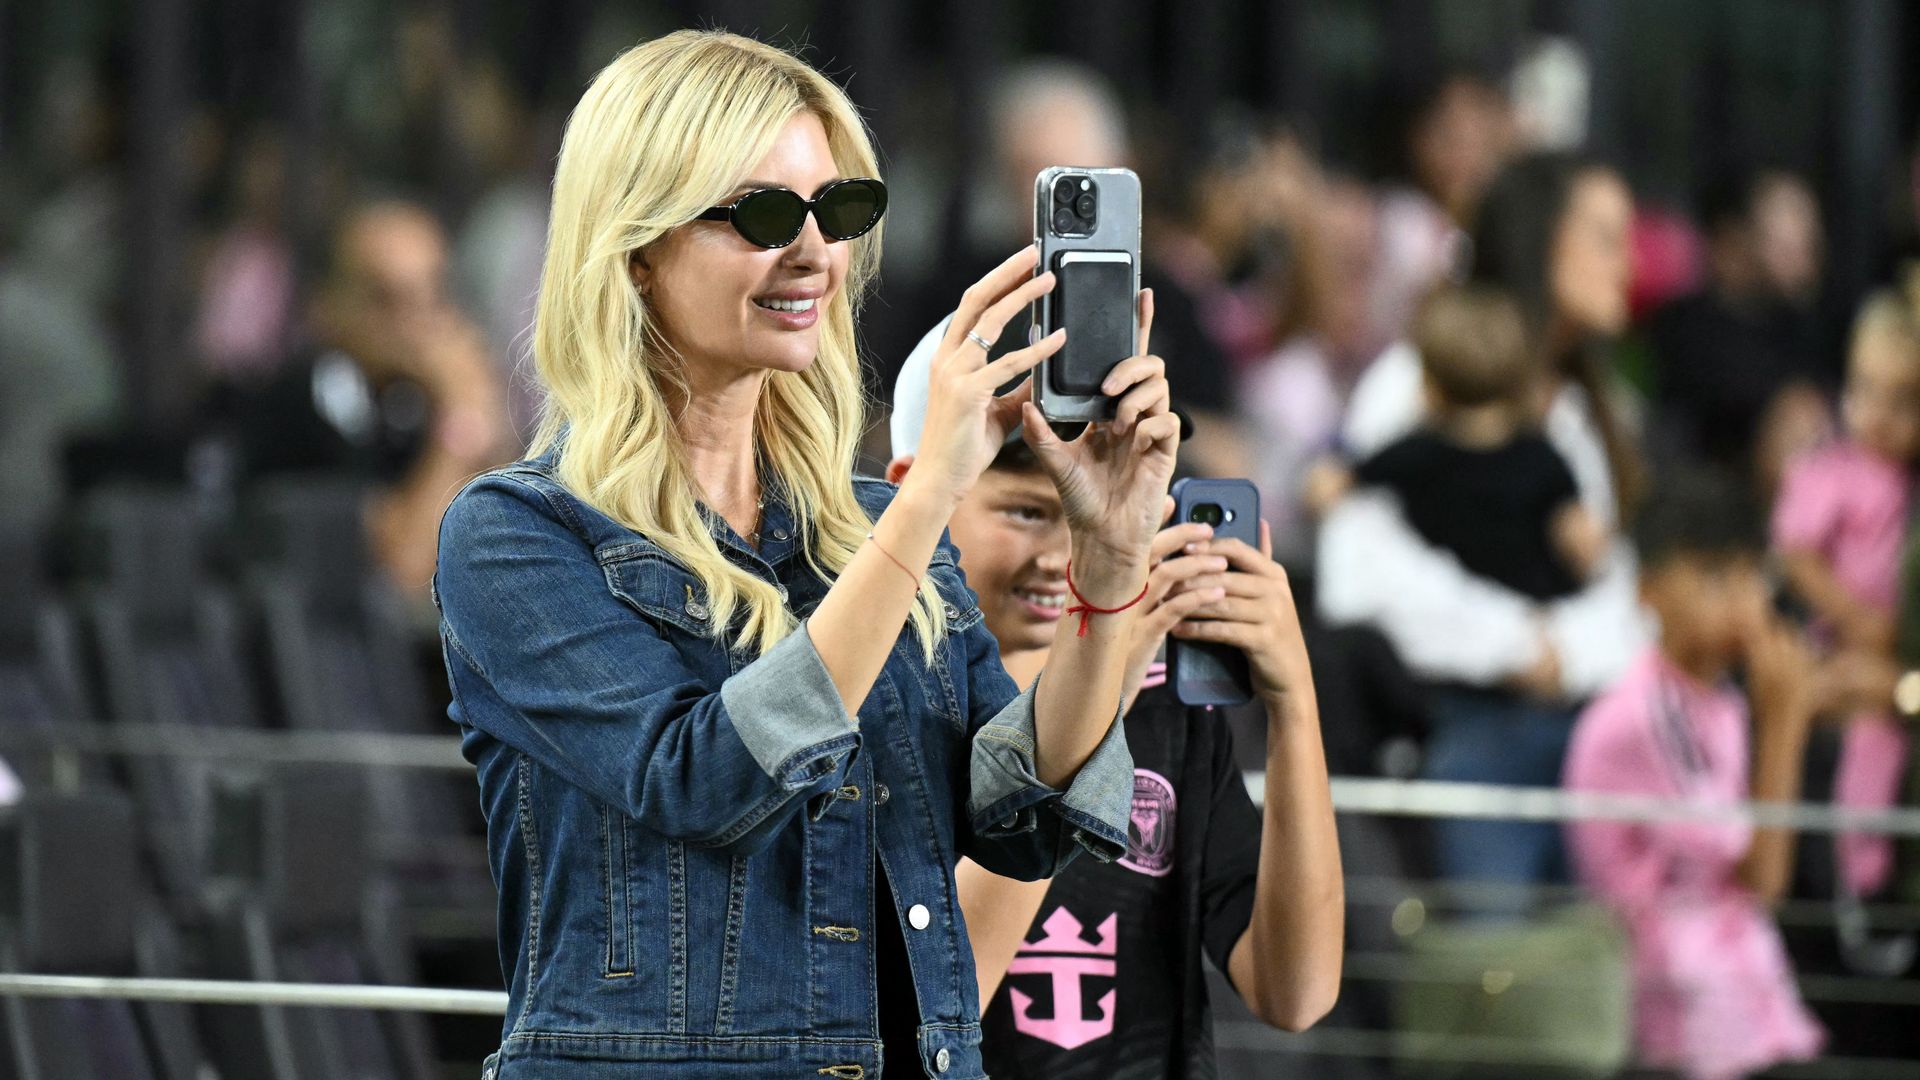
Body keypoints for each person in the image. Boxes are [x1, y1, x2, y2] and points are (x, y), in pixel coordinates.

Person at [431, 31, 1181, 1078]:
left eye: (839, 211)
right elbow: (703, 779)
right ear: (637, 248)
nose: (814, 252)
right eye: (764, 215)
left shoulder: (871, 527)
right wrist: (930, 497)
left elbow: (1020, 817)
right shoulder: (517, 534)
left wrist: (1106, 564)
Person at [884, 316, 1345, 1077]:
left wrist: (1293, 705)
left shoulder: (1168, 707)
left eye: (1105, 508)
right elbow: (931, 1009)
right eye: (1029, 511)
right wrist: (1103, 681)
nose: (1073, 554)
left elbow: (1295, 993)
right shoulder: (886, 702)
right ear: (914, 491)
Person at [1317, 152, 1647, 884]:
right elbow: (1358, 571)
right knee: (1488, 949)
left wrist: (1568, 654)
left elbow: (1614, 580)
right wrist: (1516, 646)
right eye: (1606, 237)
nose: (1630, 262)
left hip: (1592, 733)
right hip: (1459, 729)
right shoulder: (1421, 378)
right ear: (1538, 239)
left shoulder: (1591, 407)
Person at [1563, 472, 1827, 1080]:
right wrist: (1785, 725)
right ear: (1647, 592)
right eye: (1714, 578)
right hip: (1678, 1015)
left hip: (1742, 996)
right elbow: (1762, 876)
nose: (1742, 600)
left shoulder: (1720, 700)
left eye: (1752, 576)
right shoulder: (1638, 716)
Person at [209, 200, 516, 597]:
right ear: (327, 304)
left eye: (433, 295)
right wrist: (459, 423)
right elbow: (407, 571)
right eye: (387, 300)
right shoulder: (310, 396)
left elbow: (508, 543)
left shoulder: (408, 397)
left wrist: (482, 419)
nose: (419, 322)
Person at [1772, 268, 1920, 898]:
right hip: (1835, 643)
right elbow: (1796, 555)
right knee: (1856, 749)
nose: (1879, 416)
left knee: (1878, 746)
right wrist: (1857, 621)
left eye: (1903, 400)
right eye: (1865, 391)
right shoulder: (1830, 468)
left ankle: (1869, 876)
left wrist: (1899, 675)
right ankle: (1855, 879)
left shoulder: (1903, 481)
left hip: (1890, 670)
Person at [1322, 284, 1607, 600]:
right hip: (1535, 602)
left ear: (1430, 388)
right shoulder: (1542, 456)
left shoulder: (1417, 453)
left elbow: (1335, 484)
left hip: (1443, 611)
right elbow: (1581, 533)